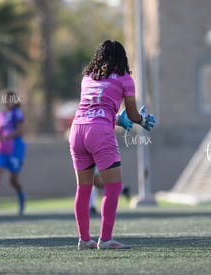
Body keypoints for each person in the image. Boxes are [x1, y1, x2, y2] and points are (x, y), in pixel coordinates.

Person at [69, 40, 155, 250]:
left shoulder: (87, 78)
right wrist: (142, 121)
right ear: (122, 58)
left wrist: (116, 118)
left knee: (83, 188)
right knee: (113, 187)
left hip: (77, 130)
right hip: (100, 133)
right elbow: (134, 114)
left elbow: (93, 108)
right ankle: (106, 239)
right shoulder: (125, 78)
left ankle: (84, 239)